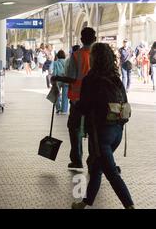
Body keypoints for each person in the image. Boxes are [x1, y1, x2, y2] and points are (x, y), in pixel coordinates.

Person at [72, 43, 134, 209]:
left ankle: (130, 206)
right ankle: (85, 202)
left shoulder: (91, 79)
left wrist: (76, 105)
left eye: (92, 55)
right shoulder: (116, 79)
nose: (90, 58)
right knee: (97, 166)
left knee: (111, 173)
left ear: (95, 58)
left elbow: (84, 106)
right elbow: (125, 104)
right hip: (118, 133)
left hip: (101, 133)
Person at [52, 27, 97, 169]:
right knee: (93, 130)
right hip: (95, 100)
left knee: (74, 128)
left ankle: (77, 160)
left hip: (78, 100)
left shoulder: (76, 56)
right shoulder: (99, 55)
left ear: (82, 39)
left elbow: (71, 78)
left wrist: (57, 77)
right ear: (94, 39)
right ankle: (93, 160)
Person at [51, 50, 68, 115]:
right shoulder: (67, 62)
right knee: (65, 95)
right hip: (66, 80)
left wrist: (53, 79)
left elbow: (54, 71)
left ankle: (58, 108)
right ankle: (64, 110)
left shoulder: (55, 62)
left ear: (57, 56)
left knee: (57, 94)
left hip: (58, 79)